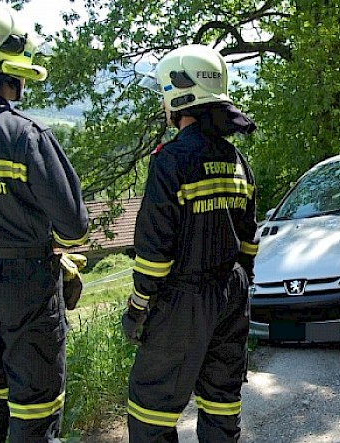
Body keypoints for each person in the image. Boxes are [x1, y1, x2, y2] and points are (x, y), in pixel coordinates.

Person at [123, 44, 259, 443]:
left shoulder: (171, 159)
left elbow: (153, 253)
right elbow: (249, 240)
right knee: (221, 401)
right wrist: (237, 287)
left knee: (151, 407)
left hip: (182, 298)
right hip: (232, 292)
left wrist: (137, 308)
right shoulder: (236, 160)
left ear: (177, 95)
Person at [0, 1, 89, 442]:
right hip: (25, 279)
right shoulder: (26, 137)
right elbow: (74, 226)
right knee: (35, 407)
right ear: (5, 68)